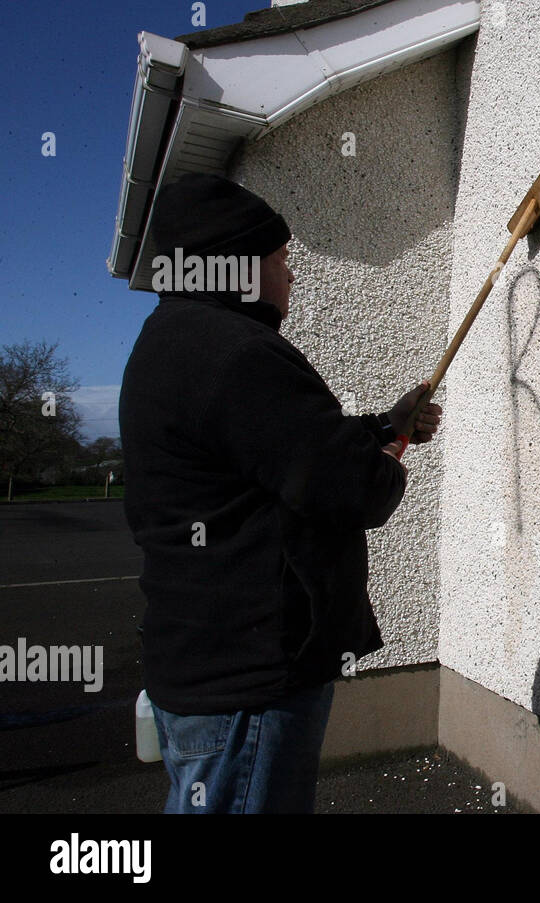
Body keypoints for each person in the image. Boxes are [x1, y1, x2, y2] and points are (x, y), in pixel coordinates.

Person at [118, 173, 441, 813]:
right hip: (249, 683)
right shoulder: (237, 356)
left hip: (203, 672)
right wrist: (385, 466)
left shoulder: (175, 342)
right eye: (281, 259)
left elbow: (277, 451)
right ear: (233, 266)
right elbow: (352, 489)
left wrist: (385, 426)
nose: (292, 275)